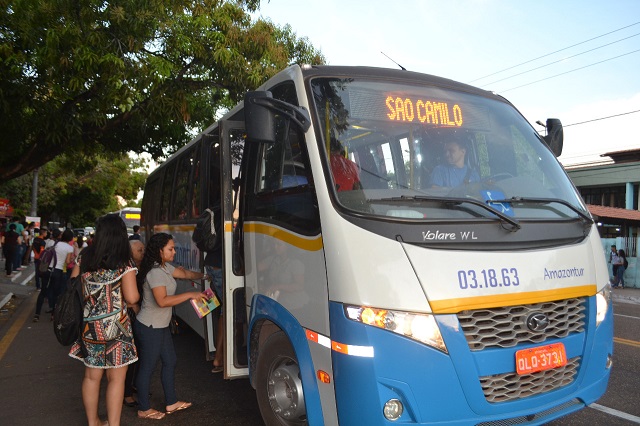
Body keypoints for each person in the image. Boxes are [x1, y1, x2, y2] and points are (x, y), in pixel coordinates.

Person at [68, 213, 140, 426]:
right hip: (117, 329)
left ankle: (93, 422)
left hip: (90, 327)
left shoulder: (85, 257)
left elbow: (73, 285)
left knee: (91, 377)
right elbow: (132, 297)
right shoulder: (124, 262)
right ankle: (113, 424)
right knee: (116, 379)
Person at [134, 232, 207, 419]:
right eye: (171, 249)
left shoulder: (164, 267)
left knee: (170, 361)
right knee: (148, 367)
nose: (174, 252)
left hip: (160, 325)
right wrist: (191, 294)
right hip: (151, 327)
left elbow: (184, 273)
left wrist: (205, 276)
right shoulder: (155, 272)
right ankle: (143, 408)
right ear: (160, 251)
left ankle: (172, 402)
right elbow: (163, 301)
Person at [203, 203, 224, 373]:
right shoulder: (227, 208)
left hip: (210, 263)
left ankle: (218, 354)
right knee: (229, 313)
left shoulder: (214, 211)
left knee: (216, 306)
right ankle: (219, 358)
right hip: (220, 265)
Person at [123, 239, 145, 408]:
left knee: (138, 354)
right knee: (132, 355)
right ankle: (127, 393)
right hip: (129, 318)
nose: (142, 253)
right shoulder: (128, 268)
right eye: (139, 250)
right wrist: (138, 314)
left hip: (136, 315)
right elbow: (131, 300)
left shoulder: (140, 268)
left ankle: (134, 385)